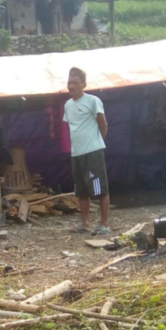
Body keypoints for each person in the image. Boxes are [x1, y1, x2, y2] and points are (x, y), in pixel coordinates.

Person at [63, 67, 111, 235]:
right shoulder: (68, 105)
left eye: (75, 83)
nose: (71, 86)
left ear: (84, 84)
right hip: (76, 153)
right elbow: (72, 127)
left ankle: (104, 224)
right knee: (81, 191)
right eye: (69, 83)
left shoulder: (92, 101)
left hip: (93, 152)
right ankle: (85, 224)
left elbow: (103, 123)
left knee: (100, 189)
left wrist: (98, 142)